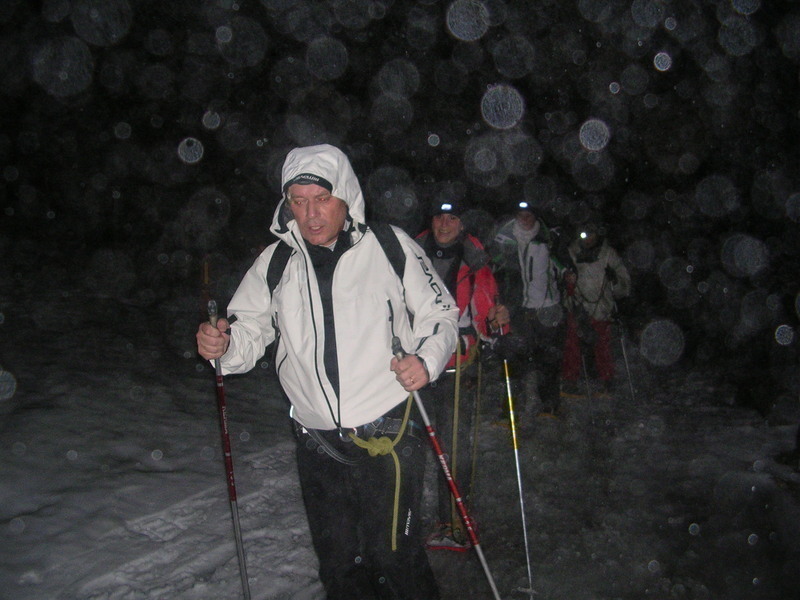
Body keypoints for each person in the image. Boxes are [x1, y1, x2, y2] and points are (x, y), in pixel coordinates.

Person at [196, 144, 459, 600]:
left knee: (393, 560)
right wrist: (223, 346)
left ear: (346, 197)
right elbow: (248, 329)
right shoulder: (277, 261)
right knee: (338, 567)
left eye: (322, 199)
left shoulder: (389, 245)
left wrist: (427, 359)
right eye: (298, 202)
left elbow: (441, 313)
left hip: (390, 430)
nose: (310, 214)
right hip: (317, 441)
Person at [415, 197, 510, 550]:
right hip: (412, 365)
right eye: (439, 217)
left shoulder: (474, 261)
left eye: (452, 218)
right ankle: (401, 521)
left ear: (462, 224)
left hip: (456, 364)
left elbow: (487, 315)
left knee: (452, 447)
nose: (444, 225)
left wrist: (497, 323)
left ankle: (454, 521)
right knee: (406, 446)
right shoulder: (409, 252)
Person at [511, 201, 569, 416]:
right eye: (521, 216)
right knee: (521, 358)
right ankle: (518, 403)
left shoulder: (547, 240)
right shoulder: (508, 240)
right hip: (522, 308)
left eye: (529, 216)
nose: (525, 220)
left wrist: (568, 273)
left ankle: (550, 403)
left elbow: (562, 263)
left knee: (549, 358)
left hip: (548, 308)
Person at [561, 220, 631, 394]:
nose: (588, 239)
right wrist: (567, 282)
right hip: (578, 305)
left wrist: (615, 280)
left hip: (601, 307)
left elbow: (624, 283)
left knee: (603, 346)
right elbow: (561, 276)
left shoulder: (608, 254)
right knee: (572, 344)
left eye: (591, 234)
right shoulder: (571, 253)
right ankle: (570, 380)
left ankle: (607, 379)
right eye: (584, 235)